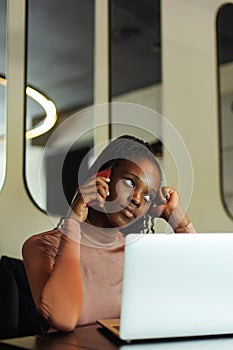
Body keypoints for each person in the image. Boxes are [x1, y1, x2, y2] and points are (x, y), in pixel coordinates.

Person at [22, 135, 196, 333]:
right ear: (103, 177)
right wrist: (73, 222)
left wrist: (179, 222)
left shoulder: (137, 251)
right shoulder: (41, 245)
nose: (138, 199)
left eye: (148, 195)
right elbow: (64, 318)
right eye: (130, 183)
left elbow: (202, 294)